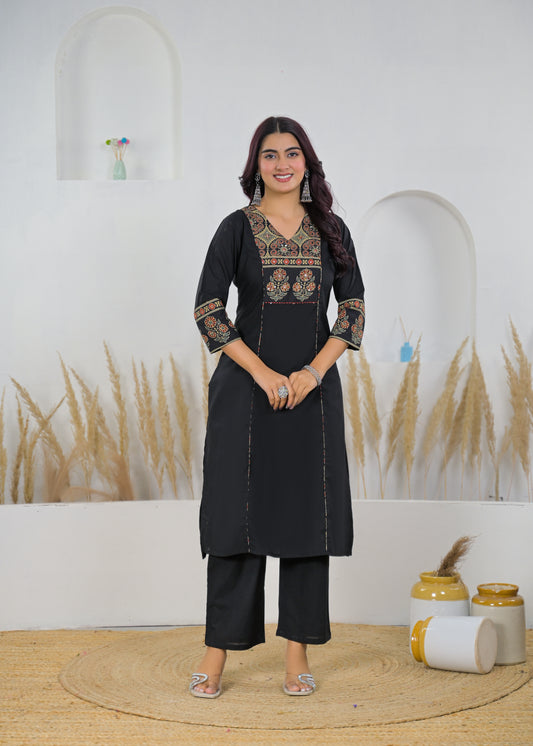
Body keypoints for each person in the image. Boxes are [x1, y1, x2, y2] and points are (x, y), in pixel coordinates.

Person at [191, 116, 365, 698]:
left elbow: (353, 311)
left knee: (305, 522)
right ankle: (216, 655)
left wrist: (312, 374)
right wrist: (264, 374)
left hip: (312, 397)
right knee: (235, 520)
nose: (282, 164)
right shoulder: (236, 229)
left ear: (306, 163)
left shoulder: (332, 230)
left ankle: (298, 654)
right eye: (270, 155)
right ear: (256, 165)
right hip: (246, 393)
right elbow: (208, 310)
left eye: (292, 153)